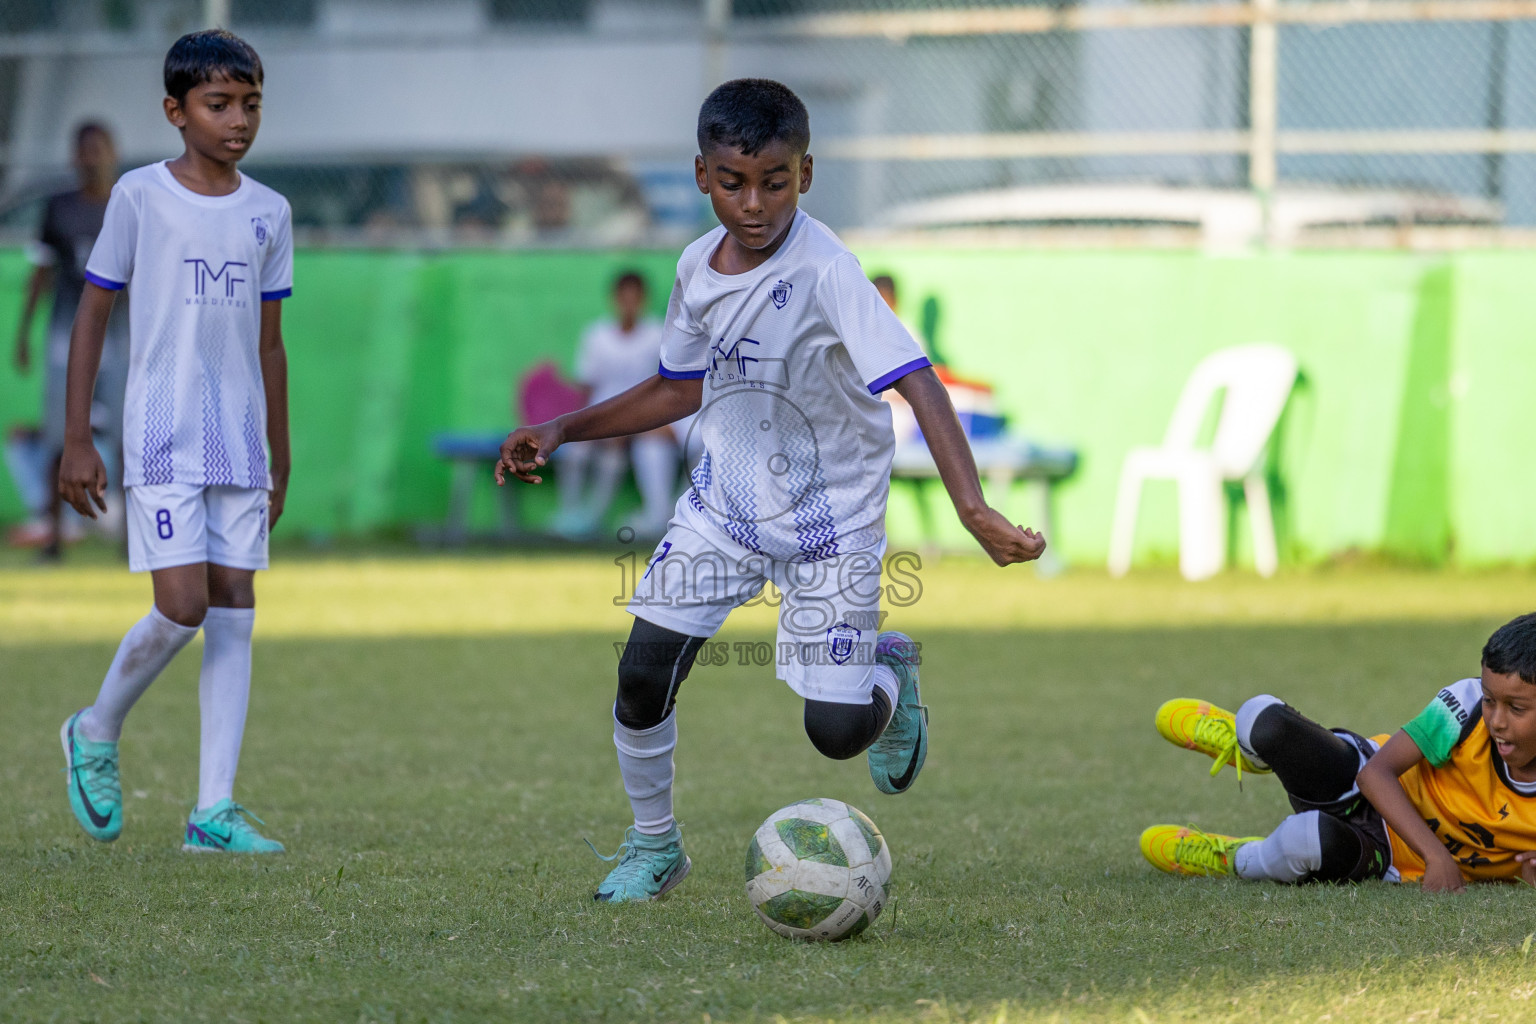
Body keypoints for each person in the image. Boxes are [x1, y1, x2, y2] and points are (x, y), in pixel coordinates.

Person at [497, 78, 1046, 903]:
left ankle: (888, 677)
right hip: (724, 512)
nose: (754, 204)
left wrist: (973, 509)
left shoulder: (828, 270)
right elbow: (677, 388)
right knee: (642, 675)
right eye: (733, 182)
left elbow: (919, 381)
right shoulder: (693, 268)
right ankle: (654, 846)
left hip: (833, 524)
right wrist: (565, 427)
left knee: (833, 734)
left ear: (807, 174)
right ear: (701, 175)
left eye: (775, 181)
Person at [56, 29, 293, 854]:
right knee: (182, 605)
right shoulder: (139, 197)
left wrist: (279, 449)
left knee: (235, 605)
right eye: (218, 104)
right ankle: (94, 727)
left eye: (250, 103)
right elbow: (94, 311)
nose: (238, 121)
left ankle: (213, 812)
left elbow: (270, 342)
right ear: (175, 111)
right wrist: (78, 434)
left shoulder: (270, 211)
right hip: (159, 434)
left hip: (239, 440)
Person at [1141, 612, 1536, 890]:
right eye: (1490, 700)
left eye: (1516, 708)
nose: (1496, 720)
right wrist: (1438, 857)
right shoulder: (1465, 705)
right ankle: (1255, 752)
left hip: (1387, 854)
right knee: (1263, 718)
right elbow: (1375, 775)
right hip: (1362, 779)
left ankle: (1236, 859)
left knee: (1303, 841)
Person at [12, 121, 130, 558]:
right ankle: (54, 535)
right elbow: (41, 272)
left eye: (99, 148)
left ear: (113, 153)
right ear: (73, 156)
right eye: (84, 150)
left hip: (120, 337)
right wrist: (24, 333)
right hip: (68, 333)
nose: (91, 158)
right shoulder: (59, 208)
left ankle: (130, 538)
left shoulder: (129, 203)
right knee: (59, 435)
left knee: (125, 434)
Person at [554, 270, 687, 539]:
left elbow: (662, 385)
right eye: (624, 298)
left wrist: (632, 426)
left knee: (614, 460)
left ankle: (593, 518)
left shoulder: (656, 334)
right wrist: (582, 425)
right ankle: (568, 513)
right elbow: (587, 386)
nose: (629, 304)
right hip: (601, 415)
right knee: (575, 453)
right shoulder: (596, 335)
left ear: (643, 300)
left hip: (641, 418)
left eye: (634, 298)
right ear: (614, 299)